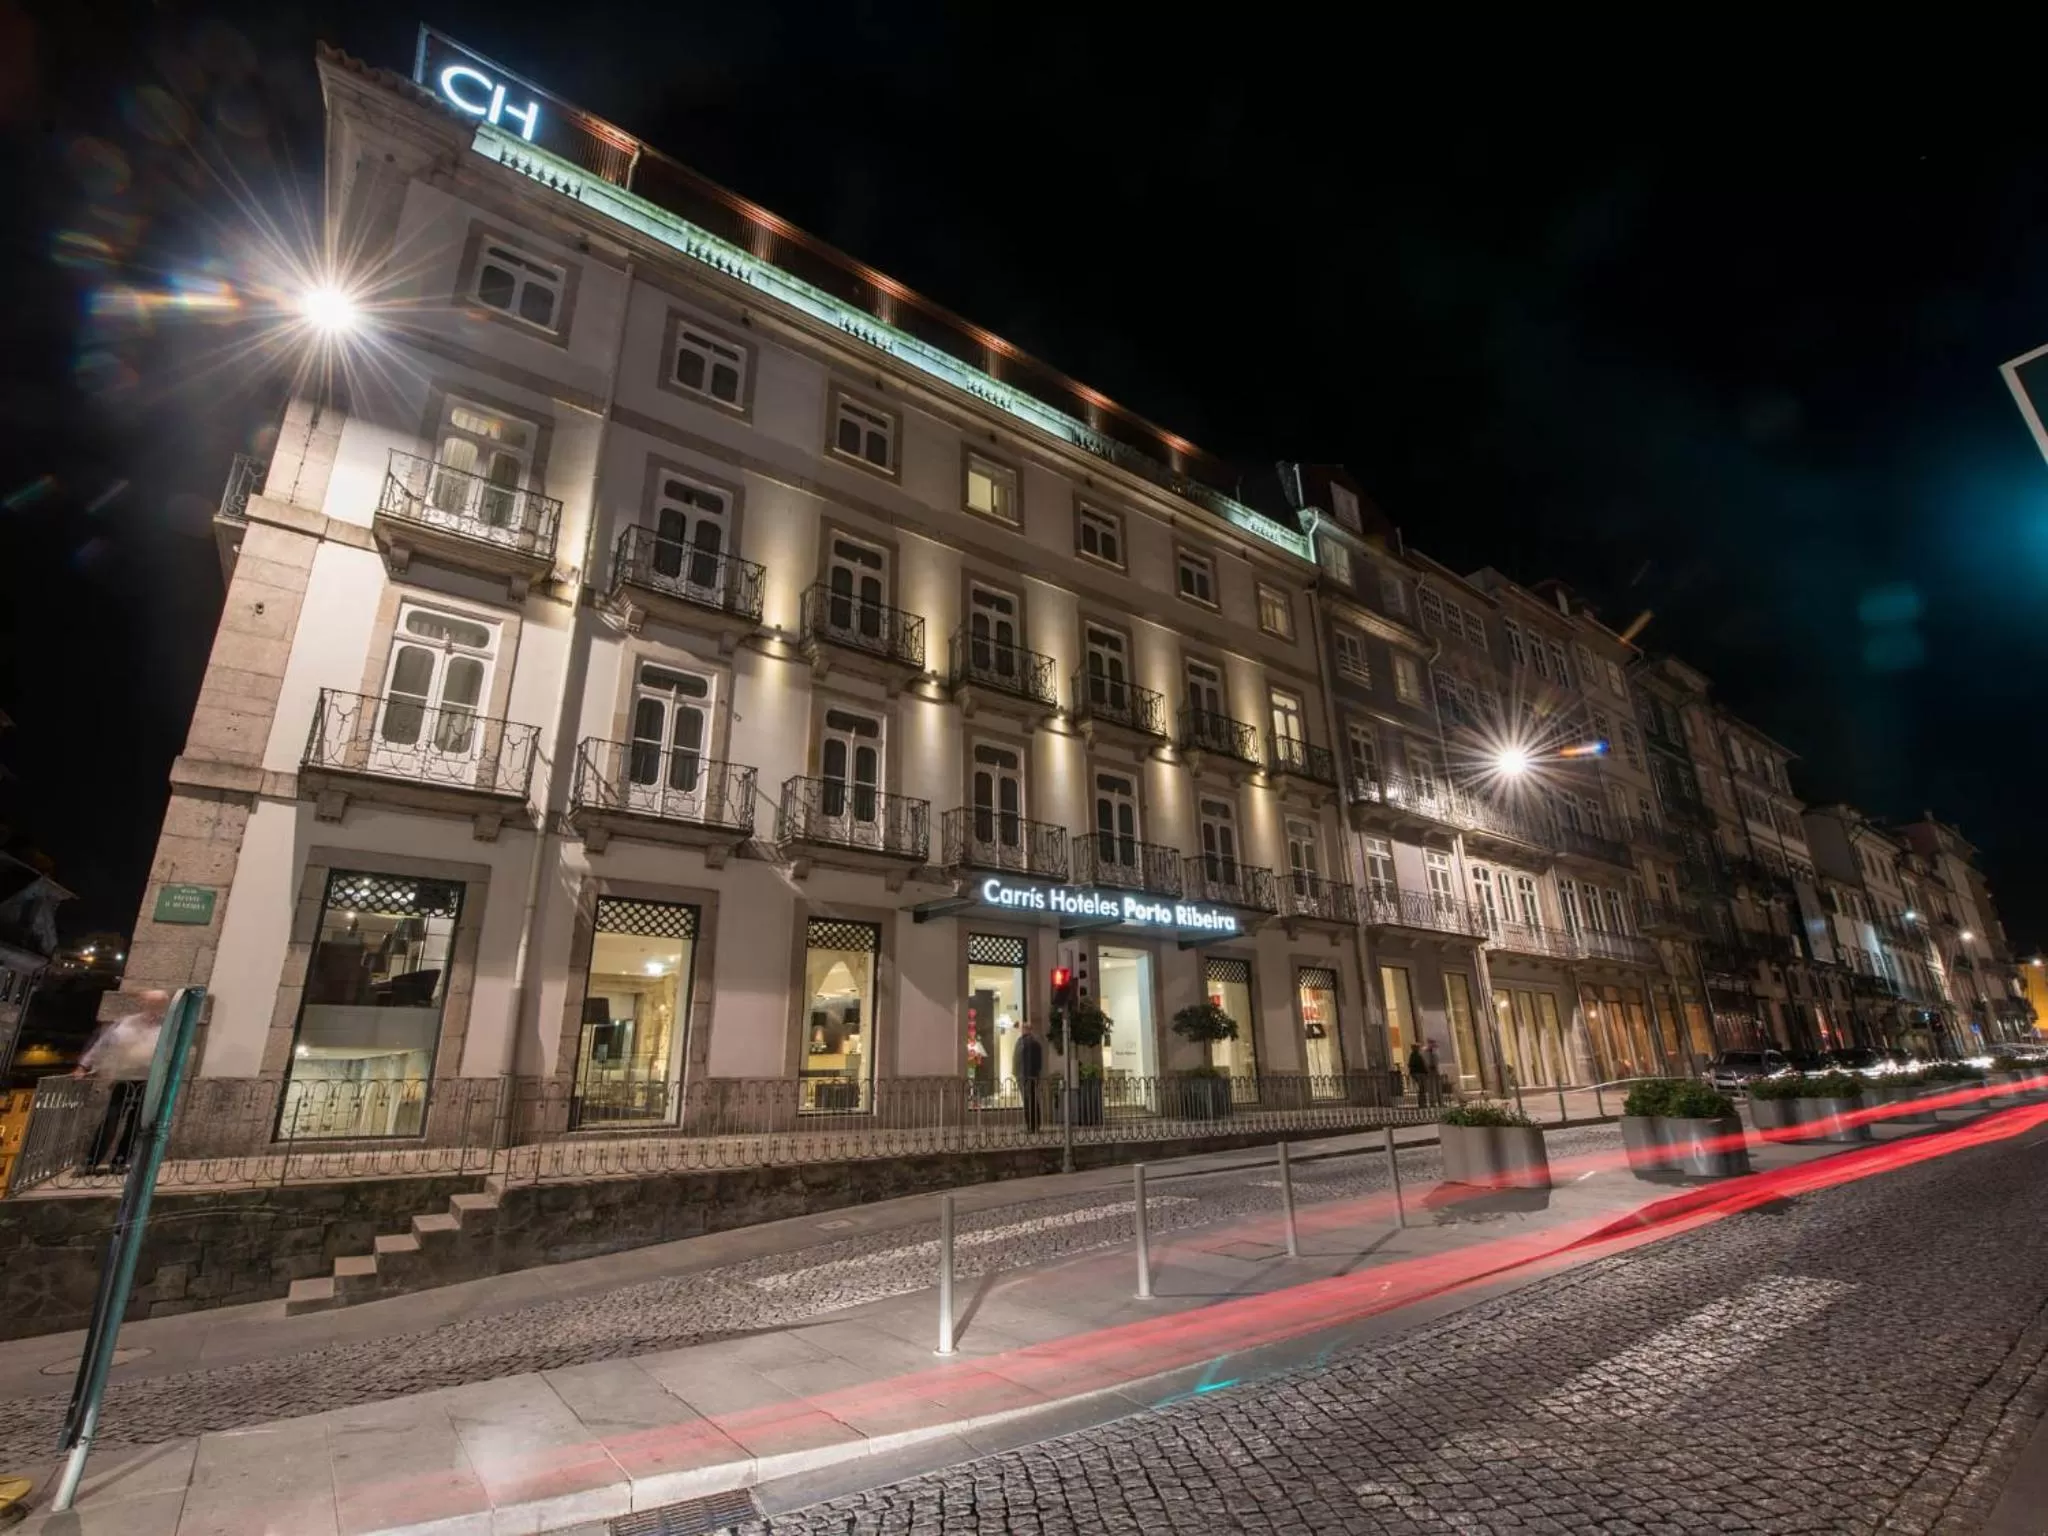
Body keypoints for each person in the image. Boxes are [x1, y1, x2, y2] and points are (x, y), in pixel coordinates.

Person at [76, 990, 170, 1175]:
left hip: (148, 1080)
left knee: (135, 1124)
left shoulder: (166, 1026)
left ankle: (120, 1161)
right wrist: (83, 1066)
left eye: (159, 1004)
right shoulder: (127, 1022)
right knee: (111, 1119)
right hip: (123, 1077)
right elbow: (103, 1044)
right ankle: (91, 1161)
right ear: (144, 1004)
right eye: (152, 1003)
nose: (155, 1008)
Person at [1014, 1018, 1046, 1132]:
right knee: (1027, 1101)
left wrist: (1033, 1074)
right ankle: (1031, 1125)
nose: (1021, 1030)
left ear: (1028, 1029)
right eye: (1022, 1028)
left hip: (1029, 1076)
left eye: (1023, 1028)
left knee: (1031, 1100)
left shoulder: (1032, 1042)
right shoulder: (1021, 1041)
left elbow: (1035, 1060)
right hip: (1022, 1075)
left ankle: (1034, 1125)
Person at [1405, 1041, 1428, 1106]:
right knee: (1422, 1089)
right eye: (1418, 1047)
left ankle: (1422, 1103)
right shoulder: (1417, 1055)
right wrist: (1426, 1072)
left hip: (1417, 1073)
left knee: (1421, 1089)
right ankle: (1422, 1103)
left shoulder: (1413, 1055)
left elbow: (1410, 1065)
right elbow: (1422, 1065)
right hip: (1420, 1073)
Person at [1424, 1039, 1444, 1107]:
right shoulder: (1426, 1051)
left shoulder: (1435, 1050)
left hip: (1436, 1070)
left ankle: (1440, 1102)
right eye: (1431, 1043)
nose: (1432, 1044)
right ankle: (1433, 1103)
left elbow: (1437, 1060)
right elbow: (1427, 1061)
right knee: (1431, 1088)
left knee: (1438, 1088)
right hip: (1430, 1070)